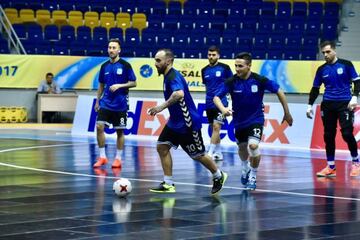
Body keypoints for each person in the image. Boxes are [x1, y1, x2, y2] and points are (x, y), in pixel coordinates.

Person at [148, 49, 227, 194]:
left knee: (198, 155)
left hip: (187, 123)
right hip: (175, 122)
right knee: (162, 147)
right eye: (155, 60)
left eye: (158, 61)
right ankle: (168, 183)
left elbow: (179, 94)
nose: (155, 64)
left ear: (169, 61)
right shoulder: (167, 76)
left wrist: (161, 107)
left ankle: (218, 175)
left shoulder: (173, 76)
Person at [214, 52, 293, 190]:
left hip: (256, 119)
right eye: (236, 66)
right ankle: (245, 168)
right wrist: (223, 109)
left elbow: (279, 91)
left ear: (249, 66)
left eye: (240, 66)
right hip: (239, 121)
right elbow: (216, 97)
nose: (237, 69)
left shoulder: (259, 80)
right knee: (242, 148)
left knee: (253, 146)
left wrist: (287, 112)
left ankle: (253, 176)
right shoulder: (232, 81)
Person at [306, 40, 360, 177]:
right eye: (323, 52)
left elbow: (357, 82)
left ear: (334, 50)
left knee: (347, 134)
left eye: (328, 52)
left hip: (344, 104)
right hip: (328, 105)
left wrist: (355, 97)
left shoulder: (346, 65)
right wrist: (309, 105)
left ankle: (356, 163)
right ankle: (331, 167)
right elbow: (315, 89)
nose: (326, 55)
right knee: (328, 136)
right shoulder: (321, 69)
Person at [93, 38, 137, 169]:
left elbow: (134, 83)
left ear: (119, 50)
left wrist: (120, 85)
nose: (111, 50)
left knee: (119, 132)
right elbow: (101, 85)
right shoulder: (104, 66)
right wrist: (97, 101)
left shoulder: (125, 65)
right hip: (106, 102)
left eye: (114, 48)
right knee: (99, 127)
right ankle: (102, 157)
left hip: (121, 104)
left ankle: (118, 159)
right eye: (109, 47)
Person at [201, 46, 233, 161]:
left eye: (213, 55)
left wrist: (229, 101)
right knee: (213, 128)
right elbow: (207, 86)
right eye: (209, 54)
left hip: (221, 102)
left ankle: (209, 154)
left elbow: (232, 83)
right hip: (209, 103)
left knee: (216, 127)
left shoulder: (225, 68)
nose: (211, 57)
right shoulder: (204, 70)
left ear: (218, 56)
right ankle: (219, 153)